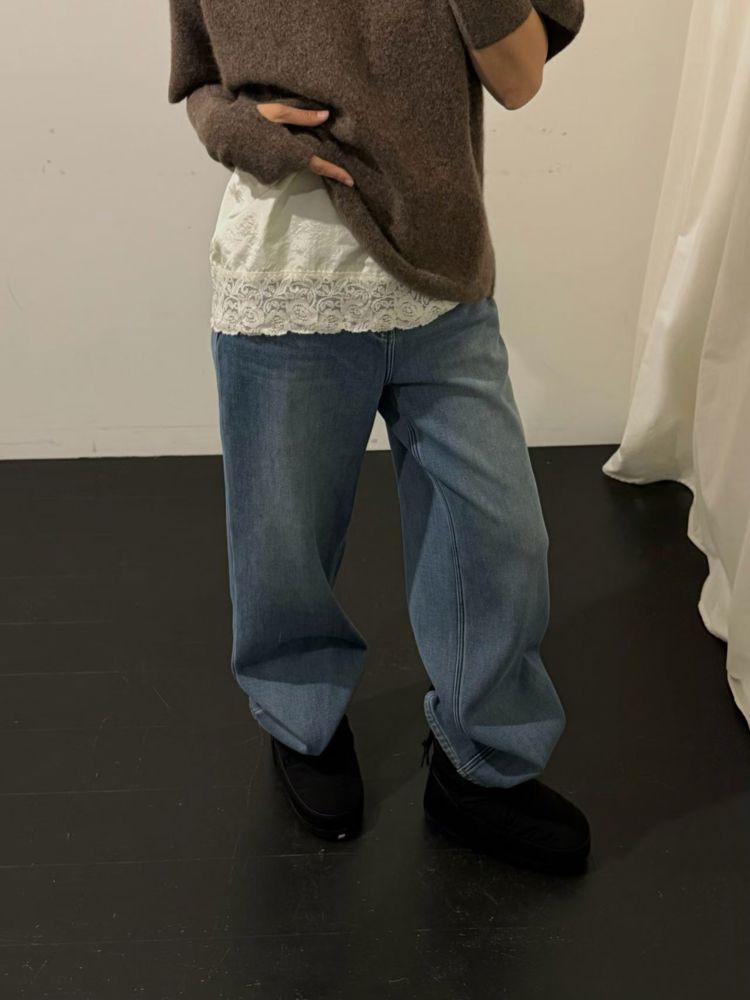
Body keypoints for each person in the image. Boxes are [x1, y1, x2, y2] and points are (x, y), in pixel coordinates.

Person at [168, 0, 590, 875]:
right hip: (285, 273)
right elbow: (199, 78)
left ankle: (481, 761)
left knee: (500, 537)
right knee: (284, 543)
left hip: (439, 272)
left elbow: (519, 76)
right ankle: (300, 721)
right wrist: (234, 130)